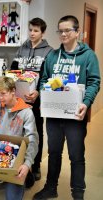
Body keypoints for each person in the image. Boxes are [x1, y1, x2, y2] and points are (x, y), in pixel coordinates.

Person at [33, 15, 100, 200]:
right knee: (53, 153)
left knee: (76, 156)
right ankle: (50, 188)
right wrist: (44, 93)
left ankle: (78, 193)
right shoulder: (53, 56)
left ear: (77, 32)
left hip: (75, 117)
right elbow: (44, 80)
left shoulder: (88, 56)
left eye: (67, 30)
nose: (63, 34)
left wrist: (86, 104)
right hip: (54, 114)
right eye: (60, 30)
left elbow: (95, 82)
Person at [10, 17, 53, 180]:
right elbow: (14, 69)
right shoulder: (22, 48)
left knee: (35, 133)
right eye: (30, 30)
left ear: (43, 32)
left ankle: (35, 167)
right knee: (18, 131)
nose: (32, 33)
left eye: (36, 30)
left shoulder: (49, 51)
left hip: (36, 100)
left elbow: (47, 76)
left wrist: (38, 92)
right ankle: (18, 162)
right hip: (19, 98)